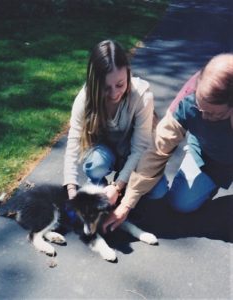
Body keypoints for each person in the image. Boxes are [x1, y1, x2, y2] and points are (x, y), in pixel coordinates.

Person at [102, 53, 233, 232]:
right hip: (209, 154)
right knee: (181, 204)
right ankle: (209, 179)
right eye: (200, 109)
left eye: (213, 114)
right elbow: (156, 150)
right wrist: (126, 203)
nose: (203, 116)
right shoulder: (188, 99)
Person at [63, 40, 164, 206]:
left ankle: (121, 186)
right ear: (95, 83)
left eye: (120, 84)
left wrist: (117, 186)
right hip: (104, 154)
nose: (114, 93)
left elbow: (140, 148)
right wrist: (71, 191)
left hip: (132, 153)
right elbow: (73, 142)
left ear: (128, 74)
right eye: (106, 87)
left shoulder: (142, 97)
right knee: (96, 165)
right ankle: (97, 182)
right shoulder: (85, 98)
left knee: (158, 192)